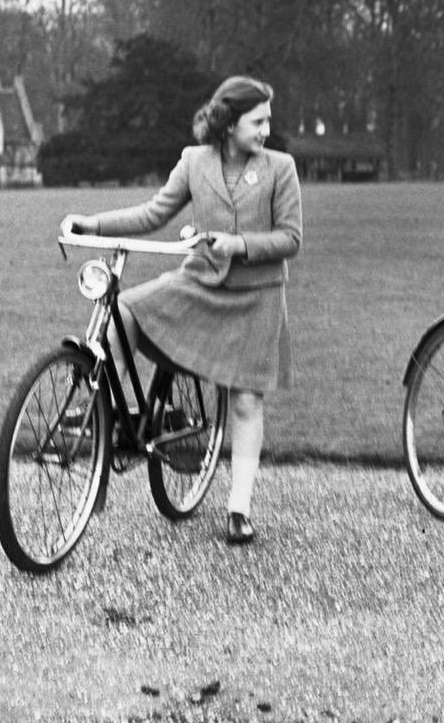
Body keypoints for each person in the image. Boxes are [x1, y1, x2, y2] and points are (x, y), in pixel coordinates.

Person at [61, 75, 302, 546]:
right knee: (123, 312)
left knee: (246, 400)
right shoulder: (195, 161)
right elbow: (154, 213)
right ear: (228, 123)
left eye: (267, 121)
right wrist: (92, 223)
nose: (266, 130)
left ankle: (239, 508)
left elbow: (291, 238)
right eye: (257, 121)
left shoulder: (280, 168)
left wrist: (240, 244)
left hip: (257, 294)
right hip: (200, 282)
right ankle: (112, 416)